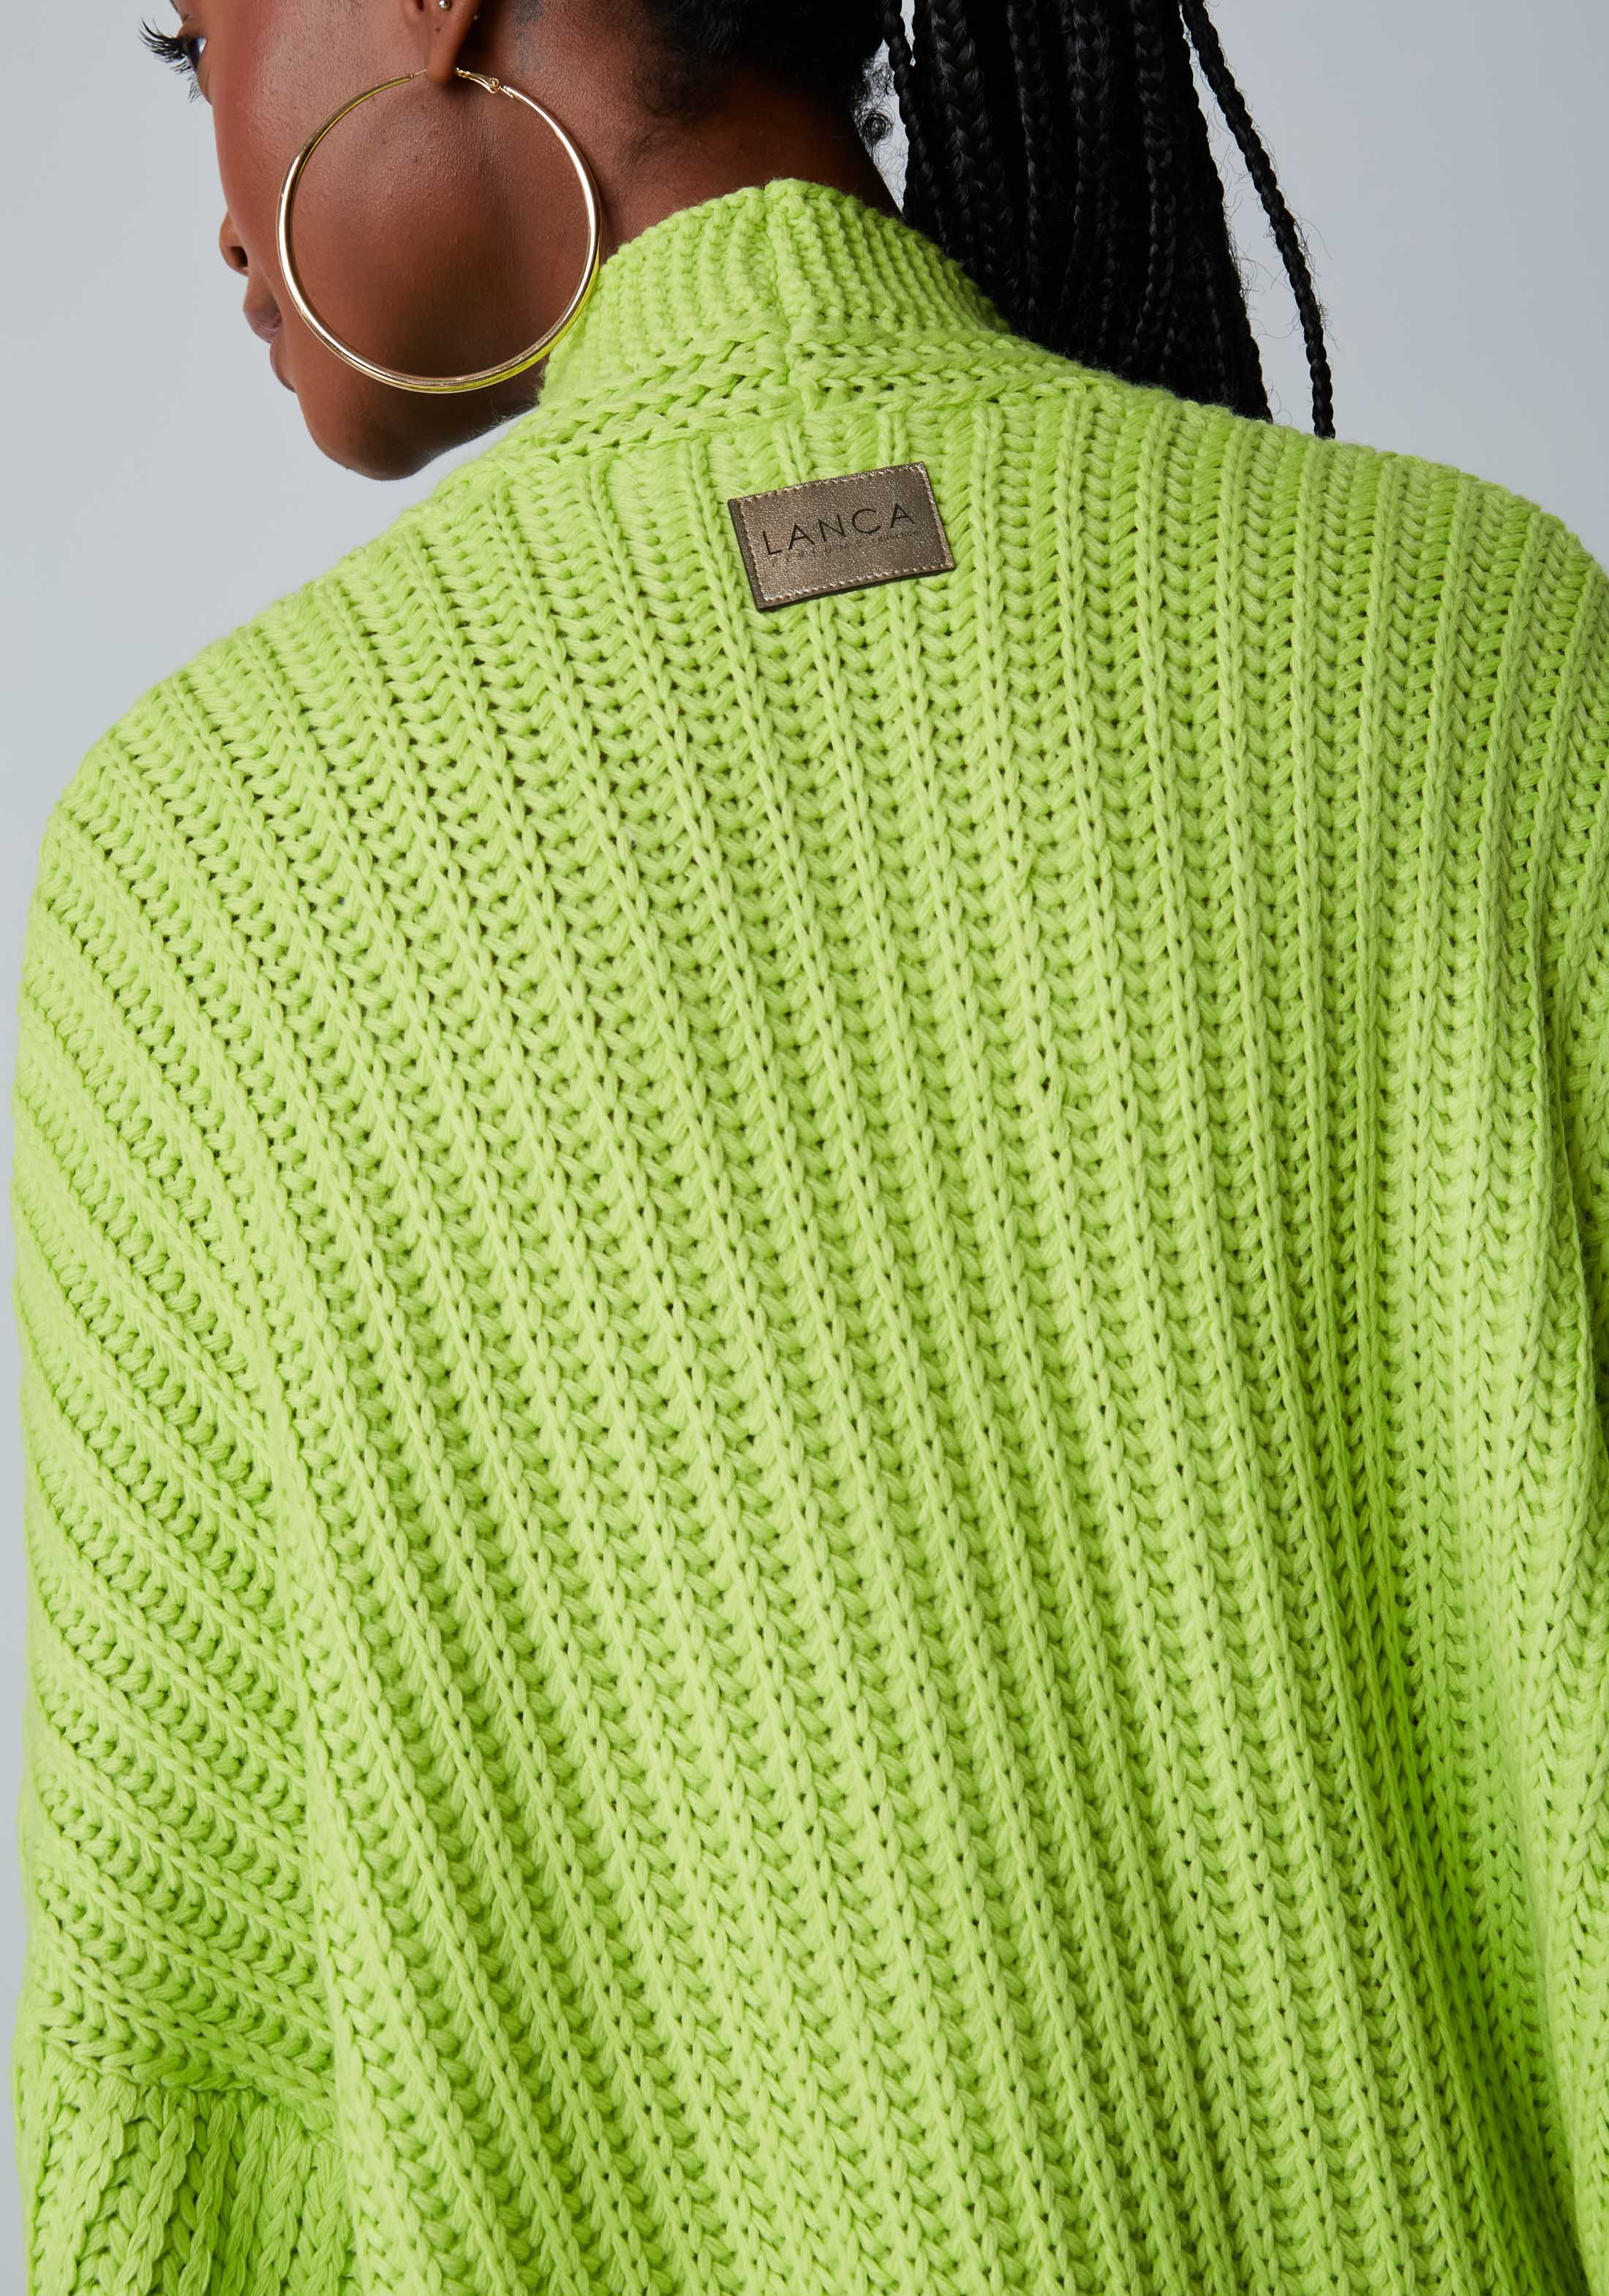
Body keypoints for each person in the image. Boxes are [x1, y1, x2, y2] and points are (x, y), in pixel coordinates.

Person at [10, 4, 1609, 2294]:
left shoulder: (198, 876)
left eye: (196, 38)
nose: (211, 183)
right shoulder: (1486, 649)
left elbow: (199, 2120)